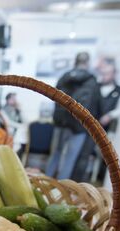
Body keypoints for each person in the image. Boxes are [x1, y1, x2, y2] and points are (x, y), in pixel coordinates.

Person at [46, 52, 102, 181]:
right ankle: (61, 190)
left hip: (60, 123)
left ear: (75, 62)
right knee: (69, 160)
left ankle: (44, 184)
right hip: (79, 126)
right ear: (87, 63)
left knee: (55, 154)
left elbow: (54, 97)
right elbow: (95, 105)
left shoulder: (64, 77)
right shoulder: (92, 81)